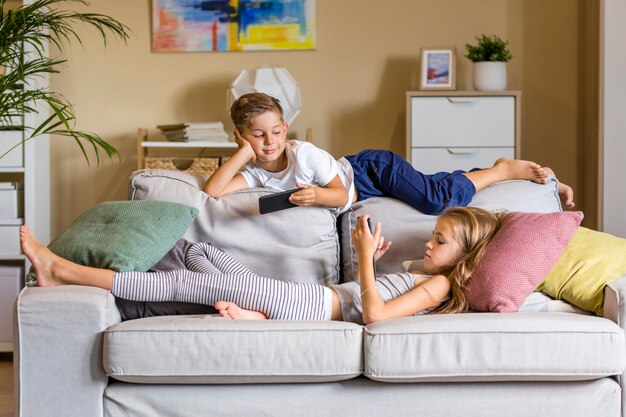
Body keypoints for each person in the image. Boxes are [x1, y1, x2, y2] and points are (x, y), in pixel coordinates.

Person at [21, 206, 503, 324]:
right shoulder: (421, 270)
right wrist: (368, 267)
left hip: (313, 307)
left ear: (465, 256)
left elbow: (373, 317)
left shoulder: (439, 289)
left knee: (185, 281)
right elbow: (363, 298)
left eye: (440, 240)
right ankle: (259, 319)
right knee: (203, 254)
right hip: (310, 303)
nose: (430, 243)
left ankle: (62, 270)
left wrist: (363, 260)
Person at [202, 92, 575, 215]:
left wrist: (317, 197)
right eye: (257, 136)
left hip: (370, 171)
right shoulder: (255, 170)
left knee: (433, 200)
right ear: (241, 136)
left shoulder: (305, 155)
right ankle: (481, 171)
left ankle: (501, 171)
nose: (270, 142)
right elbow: (213, 191)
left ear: (286, 128)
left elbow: (341, 194)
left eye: (276, 131)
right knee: (433, 185)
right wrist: (242, 153)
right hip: (361, 177)